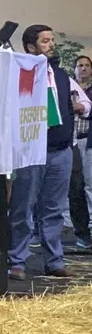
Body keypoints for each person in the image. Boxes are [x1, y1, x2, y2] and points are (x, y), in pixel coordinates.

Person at [8, 26, 92, 281]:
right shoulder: (19, 73)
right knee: (23, 209)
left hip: (60, 151)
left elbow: (86, 104)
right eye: (45, 41)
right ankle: (17, 261)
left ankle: (54, 262)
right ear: (30, 47)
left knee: (53, 211)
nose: (52, 44)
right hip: (30, 153)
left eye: (52, 40)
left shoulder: (62, 75)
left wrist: (80, 107)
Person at [69, 55, 92, 249]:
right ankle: (79, 231)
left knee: (89, 187)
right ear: (74, 69)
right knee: (74, 189)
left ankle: (88, 230)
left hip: (88, 141)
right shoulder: (68, 87)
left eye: (87, 65)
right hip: (71, 142)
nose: (83, 68)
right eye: (79, 65)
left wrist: (82, 108)